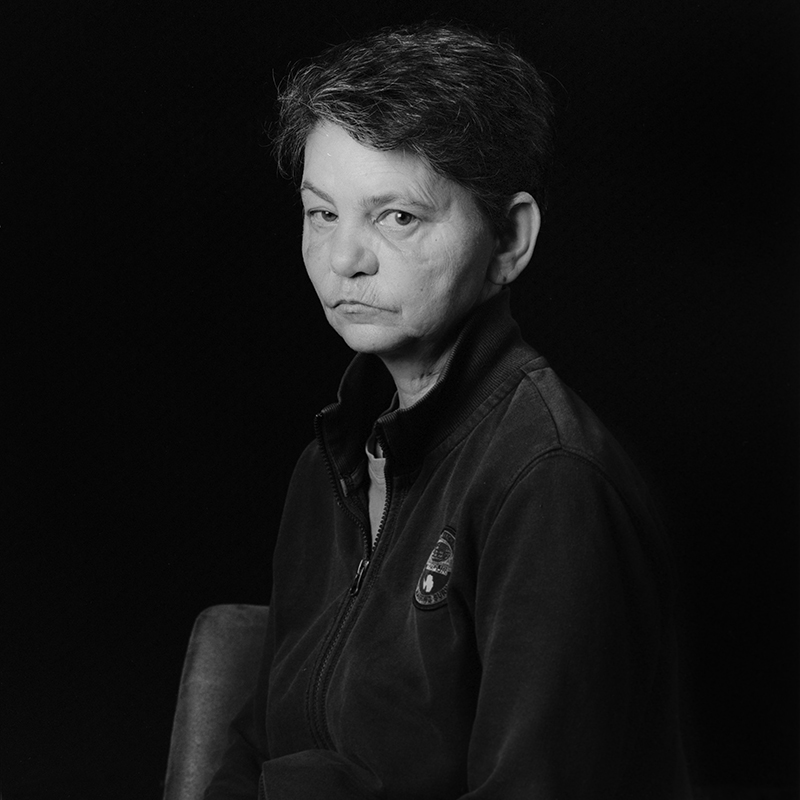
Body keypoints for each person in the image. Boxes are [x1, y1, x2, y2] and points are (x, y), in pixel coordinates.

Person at [204, 22, 691, 799]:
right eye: (323, 213)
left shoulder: (550, 480)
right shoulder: (326, 468)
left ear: (509, 239)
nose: (344, 258)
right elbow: (251, 751)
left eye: (397, 216)